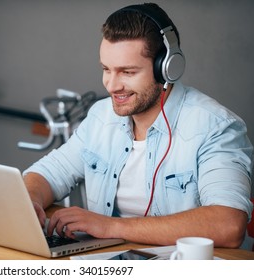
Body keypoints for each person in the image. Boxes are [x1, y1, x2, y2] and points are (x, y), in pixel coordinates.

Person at [23, 3, 253, 248]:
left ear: (166, 68)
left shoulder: (216, 127)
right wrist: (29, 201)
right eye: (106, 69)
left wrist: (109, 226)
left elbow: (228, 224)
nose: (112, 85)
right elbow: (48, 173)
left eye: (127, 72)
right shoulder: (101, 116)